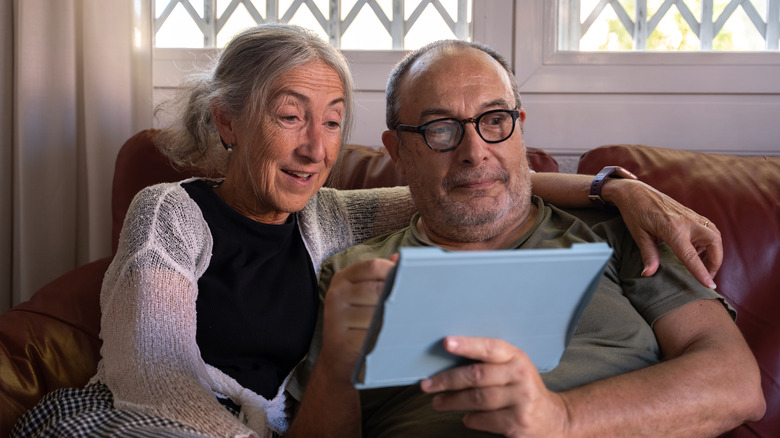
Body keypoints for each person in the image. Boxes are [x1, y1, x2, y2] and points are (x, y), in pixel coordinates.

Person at [12, 25, 726, 438]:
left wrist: (613, 187)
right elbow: (154, 379)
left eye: (330, 123)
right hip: (148, 425)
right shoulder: (170, 212)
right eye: (289, 116)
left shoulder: (333, 216)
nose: (314, 148)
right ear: (228, 122)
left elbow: (471, 180)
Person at [294, 40, 766, 437]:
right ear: (397, 150)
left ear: (519, 127)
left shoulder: (619, 231)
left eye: (494, 120)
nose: (474, 152)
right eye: (441, 129)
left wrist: (561, 418)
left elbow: (737, 384)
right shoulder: (353, 273)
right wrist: (337, 364)